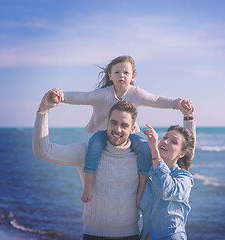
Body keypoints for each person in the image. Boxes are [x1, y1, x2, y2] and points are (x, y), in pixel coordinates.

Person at [33, 91, 191, 239]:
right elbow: (44, 151)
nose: (117, 129)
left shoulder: (145, 156)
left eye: (124, 125)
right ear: (107, 123)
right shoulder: (86, 151)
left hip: (131, 236)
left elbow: (180, 154)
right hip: (93, 235)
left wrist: (188, 118)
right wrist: (43, 110)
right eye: (113, 123)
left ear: (133, 129)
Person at [50, 55, 189, 205]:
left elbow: (155, 99)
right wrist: (62, 96)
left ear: (133, 76)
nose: (121, 76)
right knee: (95, 144)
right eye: (116, 72)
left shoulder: (137, 93)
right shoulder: (103, 93)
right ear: (110, 75)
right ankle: (88, 185)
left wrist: (177, 103)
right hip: (104, 133)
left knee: (143, 146)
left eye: (126, 72)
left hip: (128, 134)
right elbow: (84, 97)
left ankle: (141, 188)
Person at [140, 100, 196, 240]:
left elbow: (165, 190)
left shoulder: (184, 178)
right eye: (165, 137)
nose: (165, 142)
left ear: (182, 153)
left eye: (173, 141)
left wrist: (154, 150)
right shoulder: (149, 172)